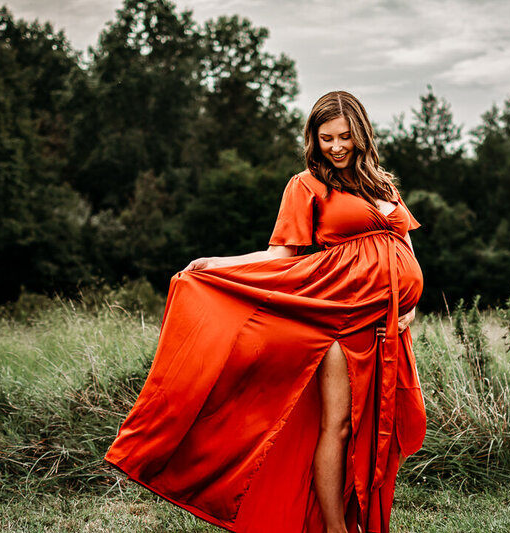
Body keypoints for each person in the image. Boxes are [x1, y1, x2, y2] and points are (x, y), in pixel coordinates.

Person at [104, 90, 426, 533]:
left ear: (361, 135)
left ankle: (354, 522)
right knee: (339, 426)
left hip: (383, 321)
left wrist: (410, 304)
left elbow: (404, 246)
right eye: (326, 137)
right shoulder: (306, 185)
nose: (336, 146)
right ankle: (335, 528)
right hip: (338, 313)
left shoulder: (383, 185)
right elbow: (281, 254)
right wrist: (218, 264)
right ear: (314, 138)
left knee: (372, 429)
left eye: (344, 137)